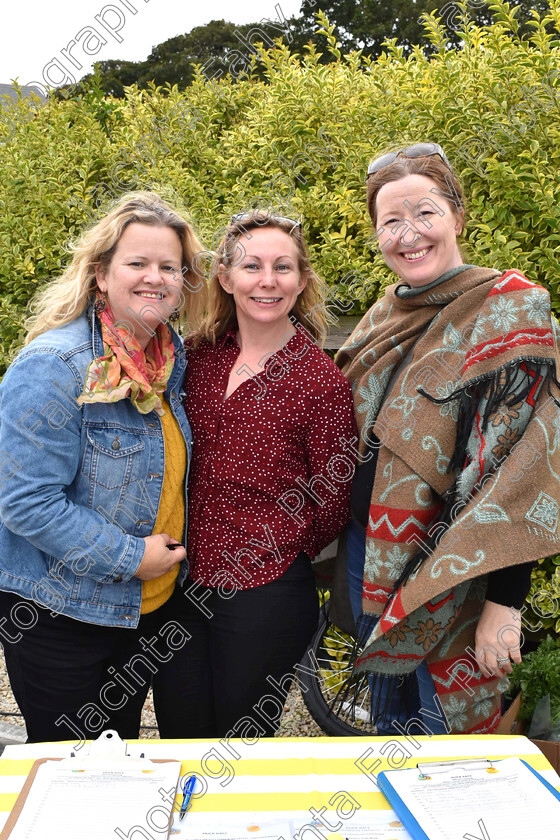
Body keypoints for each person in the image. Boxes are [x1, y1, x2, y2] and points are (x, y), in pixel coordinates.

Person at [335, 143, 560, 734]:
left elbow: (524, 468)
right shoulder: (381, 317)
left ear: (457, 216)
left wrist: (505, 604)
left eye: (425, 213)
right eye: (391, 221)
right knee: (389, 729)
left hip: (461, 578)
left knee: (450, 748)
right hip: (374, 560)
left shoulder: (511, 308)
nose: (409, 234)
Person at [0, 191, 205, 742]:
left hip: (141, 611)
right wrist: (130, 556)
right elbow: (24, 501)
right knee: (73, 776)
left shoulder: (165, 359)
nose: (154, 278)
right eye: (137, 263)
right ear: (100, 275)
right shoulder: (56, 365)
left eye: (169, 267)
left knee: (118, 760)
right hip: (63, 617)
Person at [153, 210, 357, 738]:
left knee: (240, 748)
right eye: (252, 266)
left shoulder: (319, 379)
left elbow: (333, 499)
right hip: (180, 580)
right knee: (180, 731)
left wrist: (276, 548)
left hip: (263, 591)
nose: (268, 281)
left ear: (302, 279)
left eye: (283, 267)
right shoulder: (195, 359)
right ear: (225, 277)